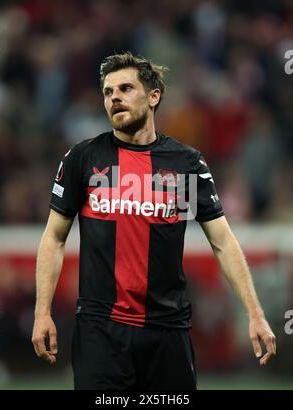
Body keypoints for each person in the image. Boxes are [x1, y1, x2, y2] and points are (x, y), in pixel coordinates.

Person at [32, 52, 276, 390]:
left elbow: (222, 241)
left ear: (154, 96)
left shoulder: (187, 164)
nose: (114, 97)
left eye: (125, 88)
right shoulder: (82, 158)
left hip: (167, 331)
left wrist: (255, 313)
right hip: (100, 331)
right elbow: (54, 237)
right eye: (107, 91)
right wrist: (41, 311)